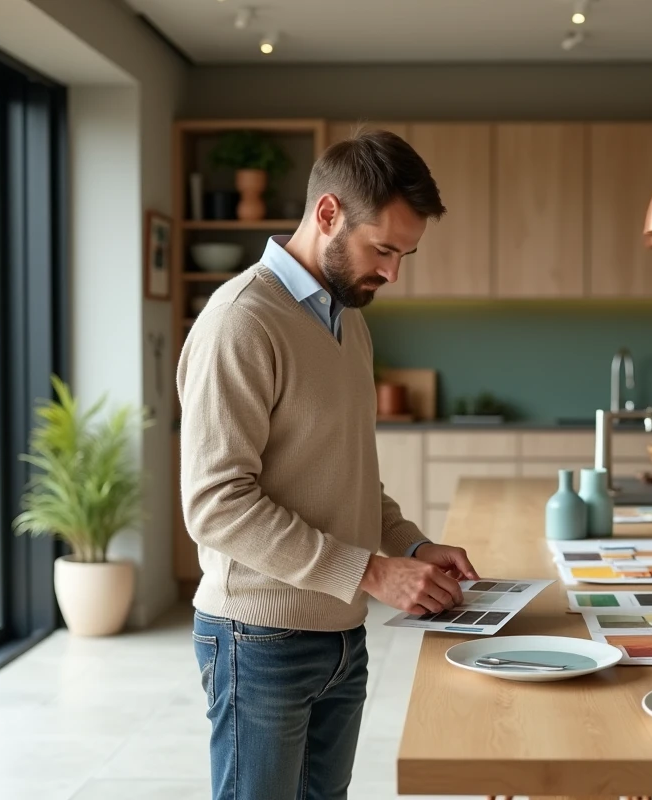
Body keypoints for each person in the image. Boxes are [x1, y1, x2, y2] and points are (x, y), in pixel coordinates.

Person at [177, 129, 480, 800]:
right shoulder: (241, 320)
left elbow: (349, 476)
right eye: (384, 249)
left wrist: (412, 546)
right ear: (327, 214)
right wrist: (372, 571)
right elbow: (215, 504)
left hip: (341, 635)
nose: (394, 273)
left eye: (405, 255)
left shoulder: (349, 321)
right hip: (257, 638)